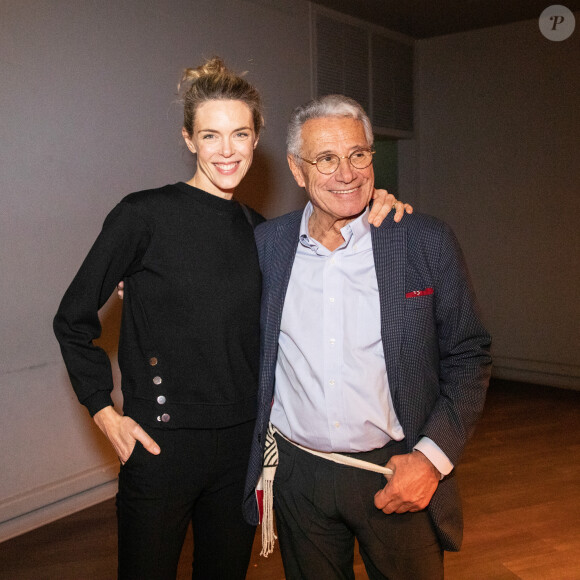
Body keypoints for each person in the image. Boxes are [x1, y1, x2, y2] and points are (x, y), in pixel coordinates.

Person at [53, 59, 410, 579]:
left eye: (240, 134)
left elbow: (319, 258)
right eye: (211, 135)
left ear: (256, 138)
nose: (226, 150)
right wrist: (103, 411)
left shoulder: (265, 235)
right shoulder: (143, 215)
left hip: (242, 449)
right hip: (160, 445)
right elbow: (73, 317)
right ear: (189, 139)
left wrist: (373, 202)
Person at [242, 94, 492, 579]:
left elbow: (469, 354)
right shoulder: (267, 246)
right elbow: (211, 302)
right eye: (327, 159)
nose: (347, 173)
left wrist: (430, 458)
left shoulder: (422, 239)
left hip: (396, 472)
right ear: (298, 170)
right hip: (298, 476)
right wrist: (141, 286)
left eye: (358, 155)